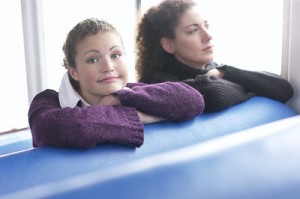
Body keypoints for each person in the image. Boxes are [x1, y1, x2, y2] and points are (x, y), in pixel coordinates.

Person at [28, 18, 205, 149]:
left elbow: (193, 100)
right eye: (92, 60)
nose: (108, 67)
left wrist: (120, 100)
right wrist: (141, 117)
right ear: (73, 71)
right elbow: (64, 128)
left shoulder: (130, 92)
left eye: (115, 55)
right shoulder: (46, 102)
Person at [136, 0, 294, 112]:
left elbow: (284, 89)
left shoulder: (215, 69)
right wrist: (248, 87)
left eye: (206, 26)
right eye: (193, 30)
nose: (208, 36)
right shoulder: (155, 82)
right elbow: (214, 94)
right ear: (169, 45)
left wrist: (224, 73)